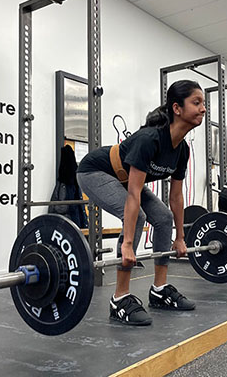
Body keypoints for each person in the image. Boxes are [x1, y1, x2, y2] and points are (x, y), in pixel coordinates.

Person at [76, 80, 205, 326]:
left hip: (124, 179)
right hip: (95, 171)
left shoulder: (182, 150)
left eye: (203, 104)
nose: (203, 109)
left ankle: (159, 289)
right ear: (177, 109)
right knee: (139, 218)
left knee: (163, 217)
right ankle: (119, 298)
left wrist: (180, 237)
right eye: (196, 103)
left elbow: (176, 197)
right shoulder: (150, 139)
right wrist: (127, 245)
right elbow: (134, 194)